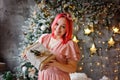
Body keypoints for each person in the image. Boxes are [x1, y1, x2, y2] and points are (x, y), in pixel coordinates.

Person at [37, 13, 80, 80]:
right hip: (43, 76)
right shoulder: (43, 38)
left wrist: (57, 64)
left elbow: (73, 69)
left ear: (67, 29)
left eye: (63, 26)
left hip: (59, 77)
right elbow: (37, 56)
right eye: (56, 24)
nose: (58, 28)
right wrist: (29, 55)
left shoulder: (69, 44)